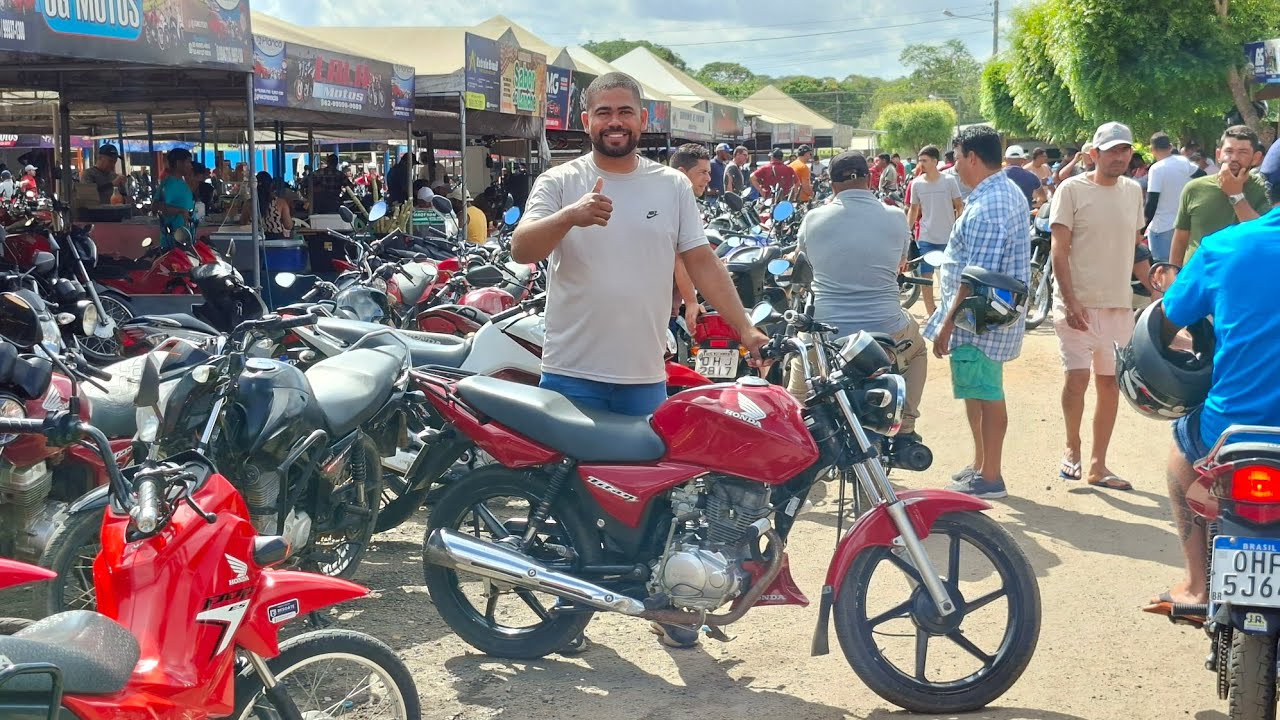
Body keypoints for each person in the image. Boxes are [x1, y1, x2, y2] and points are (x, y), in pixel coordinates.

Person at [1139, 141, 1280, 617]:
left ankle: (1198, 587)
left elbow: (1165, 323)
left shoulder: (1223, 248)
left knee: (1181, 459)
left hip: (1232, 425)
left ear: (1265, 182)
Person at [787, 151, 929, 443]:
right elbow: (901, 264)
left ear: (832, 183)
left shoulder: (813, 218)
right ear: (868, 178)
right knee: (918, 352)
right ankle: (905, 428)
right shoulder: (895, 216)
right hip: (888, 331)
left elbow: (801, 259)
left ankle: (795, 436)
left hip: (826, 337)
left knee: (797, 394)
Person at [924, 126, 1031, 499]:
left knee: (987, 393)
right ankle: (981, 464)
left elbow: (975, 278)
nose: (954, 166)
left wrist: (946, 324)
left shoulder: (990, 204)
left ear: (972, 157)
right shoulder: (997, 193)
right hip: (979, 318)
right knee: (978, 391)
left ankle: (991, 475)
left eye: (956, 158)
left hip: (978, 320)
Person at [1050, 122, 1149, 492]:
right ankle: (1072, 443)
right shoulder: (1071, 190)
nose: (1120, 157)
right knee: (1077, 380)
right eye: (1112, 151)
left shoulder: (1133, 192)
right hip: (1076, 305)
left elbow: (1136, 245)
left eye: (1125, 151)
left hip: (1118, 306)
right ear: (1094, 153)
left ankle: (1098, 465)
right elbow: (1059, 249)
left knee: (1110, 385)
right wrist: (1070, 298)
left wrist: (1155, 287)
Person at [1170, 125, 1269, 267]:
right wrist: (1173, 274)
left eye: (1243, 152)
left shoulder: (1267, 191)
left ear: (1256, 158)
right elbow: (1181, 238)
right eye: (1228, 151)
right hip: (1197, 279)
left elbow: (1262, 237)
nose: (1234, 158)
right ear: (1218, 155)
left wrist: (1236, 195)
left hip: (1243, 278)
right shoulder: (1194, 188)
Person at [907, 145, 964, 316]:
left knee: (949, 276)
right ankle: (931, 312)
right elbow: (913, 209)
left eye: (924, 160)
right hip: (926, 237)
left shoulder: (949, 181)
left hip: (948, 238)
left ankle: (949, 310)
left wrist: (958, 227)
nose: (921, 164)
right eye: (920, 161)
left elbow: (959, 205)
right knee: (926, 277)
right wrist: (905, 231)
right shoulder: (916, 184)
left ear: (934, 161)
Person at [669, 143, 713, 330]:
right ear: (681, 173)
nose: (708, 178)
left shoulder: (674, 200)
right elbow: (681, 258)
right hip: (660, 311)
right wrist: (692, 302)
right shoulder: (673, 204)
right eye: (702, 172)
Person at [1144, 132, 1197, 262]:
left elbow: (1152, 201)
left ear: (1152, 149)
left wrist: (1142, 228)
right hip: (1184, 224)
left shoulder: (1156, 169)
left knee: (1163, 271)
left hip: (1161, 227)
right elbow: (1203, 176)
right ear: (1170, 146)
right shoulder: (1184, 162)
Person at [154, 148, 196, 250]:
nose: (191, 166)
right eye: (188, 162)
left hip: (186, 239)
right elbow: (156, 206)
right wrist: (180, 211)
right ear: (178, 163)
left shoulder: (182, 183)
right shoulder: (168, 184)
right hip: (172, 242)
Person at [240, 171, 293, 240]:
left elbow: (243, 223)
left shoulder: (249, 204)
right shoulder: (281, 203)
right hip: (277, 243)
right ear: (271, 185)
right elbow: (288, 225)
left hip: (257, 243)